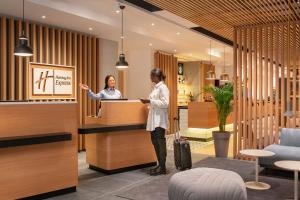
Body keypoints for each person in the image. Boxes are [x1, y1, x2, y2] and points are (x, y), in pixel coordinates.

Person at [140, 68, 169, 176]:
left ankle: (163, 167)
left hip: (159, 120)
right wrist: (148, 101)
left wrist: (149, 101)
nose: (150, 77)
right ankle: (160, 164)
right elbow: (153, 101)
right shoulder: (155, 88)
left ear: (156, 76)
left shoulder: (163, 88)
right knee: (155, 142)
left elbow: (166, 103)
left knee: (160, 143)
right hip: (153, 120)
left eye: (151, 76)